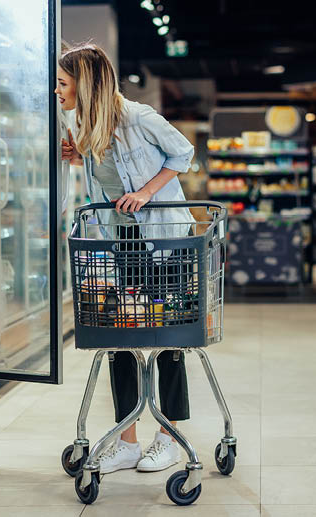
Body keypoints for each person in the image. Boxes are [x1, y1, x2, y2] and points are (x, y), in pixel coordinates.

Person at [56, 44, 195, 474]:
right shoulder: (84, 122)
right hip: (122, 240)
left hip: (166, 238)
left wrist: (146, 193)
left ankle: (168, 437)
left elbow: (183, 154)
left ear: (86, 84)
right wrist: (81, 156)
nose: (57, 91)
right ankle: (128, 439)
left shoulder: (139, 117)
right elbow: (112, 169)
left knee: (168, 339)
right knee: (120, 338)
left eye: (63, 83)